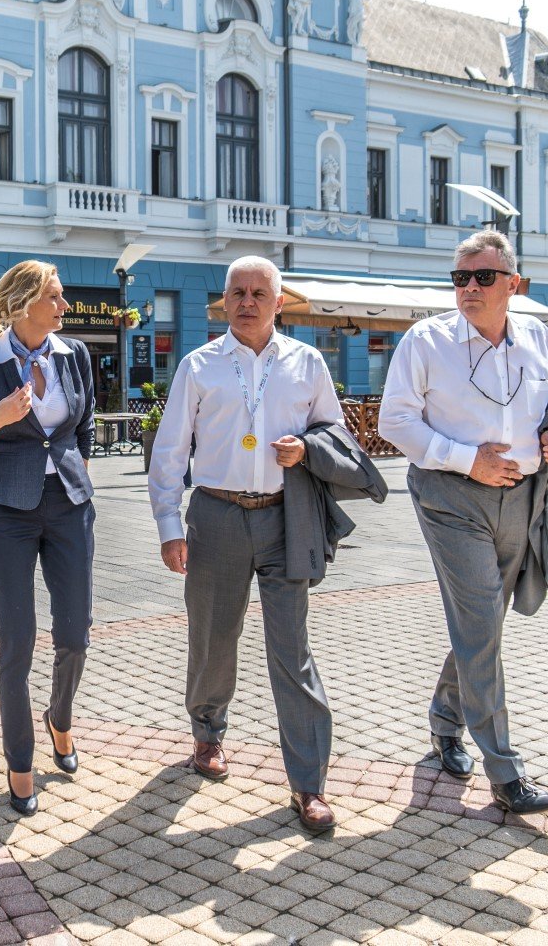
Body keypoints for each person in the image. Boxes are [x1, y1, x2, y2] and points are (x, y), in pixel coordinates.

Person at [377, 230, 548, 815]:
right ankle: (505, 772)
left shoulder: (538, 337)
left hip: (524, 495)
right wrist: (468, 460)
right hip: (451, 497)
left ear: (514, 284)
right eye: (460, 278)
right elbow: (395, 422)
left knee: (481, 626)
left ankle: (445, 721)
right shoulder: (426, 340)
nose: (469, 288)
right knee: (482, 622)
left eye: (483, 277)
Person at [149, 255, 345, 833]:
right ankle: (207, 733)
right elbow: (169, 451)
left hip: (287, 517)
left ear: (278, 302)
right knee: (213, 638)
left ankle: (308, 783)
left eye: (260, 293)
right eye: (238, 292)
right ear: (224, 301)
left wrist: (306, 449)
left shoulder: (307, 362)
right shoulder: (199, 365)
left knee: (292, 649)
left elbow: (336, 433)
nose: (248, 302)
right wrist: (169, 526)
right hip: (216, 515)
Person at [0, 261, 96, 817]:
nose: (64, 307)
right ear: (24, 303)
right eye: (55, 297)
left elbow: (85, 424)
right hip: (10, 509)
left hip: (70, 505)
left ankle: (60, 717)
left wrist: (78, 471)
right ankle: (20, 762)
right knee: (18, 639)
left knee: (75, 634)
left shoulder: (75, 354)